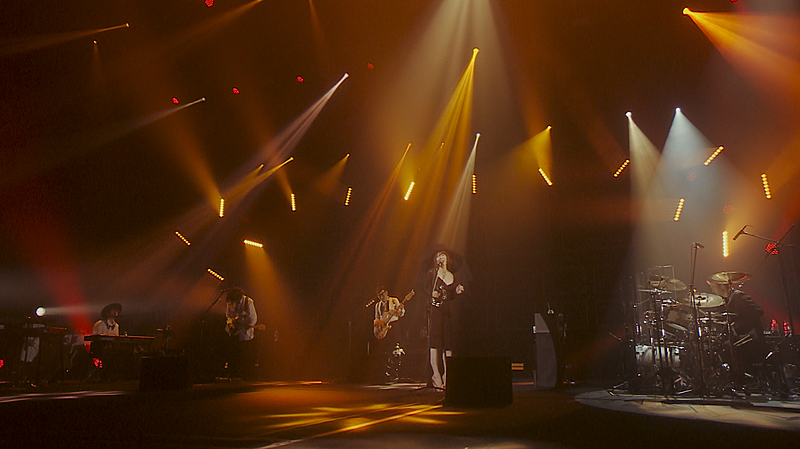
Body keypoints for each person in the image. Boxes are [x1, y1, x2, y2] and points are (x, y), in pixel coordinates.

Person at [426, 249, 466, 389]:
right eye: (438, 256)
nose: (440, 258)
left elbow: (452, 294)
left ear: (447, 259)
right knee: (435, 342)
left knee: (447, 342)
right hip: (435, 311)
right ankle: (435, 374)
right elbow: (424, 289)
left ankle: (448, 374)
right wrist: (432, 293)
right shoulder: (432, 274)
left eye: (443, 255)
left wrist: (457, 290)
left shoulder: (453, 276)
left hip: (447, 312)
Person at [224, 288, 258, 380]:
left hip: (245, 333)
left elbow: (252, 319)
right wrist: (230, 323)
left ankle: (246, 377)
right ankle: (234, 375)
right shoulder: (230, 302)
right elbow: (228, 315)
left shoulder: (248, 302)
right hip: (234, 333)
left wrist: (241, 323)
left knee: (245, 354)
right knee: (234, 353)